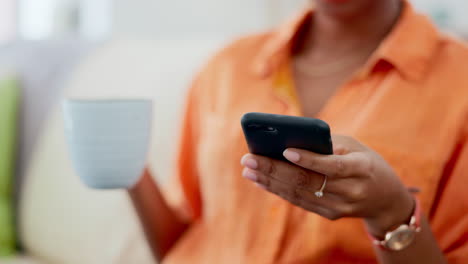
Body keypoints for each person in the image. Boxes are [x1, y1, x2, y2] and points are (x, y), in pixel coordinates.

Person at [129, 0, 468, 263]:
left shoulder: (459, 84)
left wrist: (391, 214)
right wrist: (128, 167)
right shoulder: (226, 67)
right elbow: (184, 245)